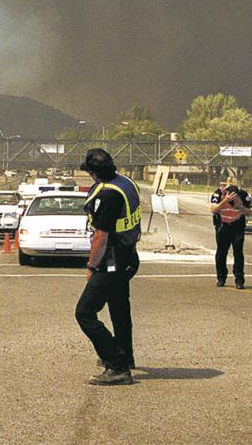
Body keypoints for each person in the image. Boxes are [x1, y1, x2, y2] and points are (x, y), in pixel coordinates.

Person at [74, 148, 142, 386]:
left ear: (93, 173)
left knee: (84, 313)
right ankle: (126, 354)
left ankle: (117, 365)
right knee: (118, 308)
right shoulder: (126, 183)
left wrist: (92, 266)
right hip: (128, 253)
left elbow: (101, 236)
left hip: (111, 258)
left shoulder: (108, 196)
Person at [210, 183, 252, 289]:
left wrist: (240, 206)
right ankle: (221, 278)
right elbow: (212, 210)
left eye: (235, 195)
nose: (232, 197)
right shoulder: (219, 194)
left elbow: (249, 212)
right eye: (230, 194)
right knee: (221, 252)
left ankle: (239, 280)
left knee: (238, 253)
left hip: (237, 226)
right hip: (223, 226)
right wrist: (224, 201)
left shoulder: (243, 195)